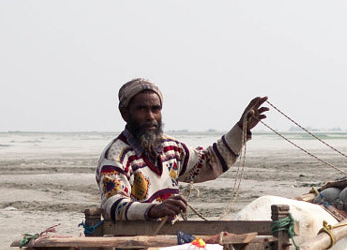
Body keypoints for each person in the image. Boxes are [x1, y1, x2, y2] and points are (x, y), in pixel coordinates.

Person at [98, 77, 269, 222]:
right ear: (124, 113)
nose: (150, 116)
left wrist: (241, 127)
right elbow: (112, 204)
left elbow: (210, 162)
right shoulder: (116, 157)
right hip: (134, 249)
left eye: (155, 109)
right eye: (141, 109)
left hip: (172, 242)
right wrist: (154, 210)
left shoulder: (171, 149)